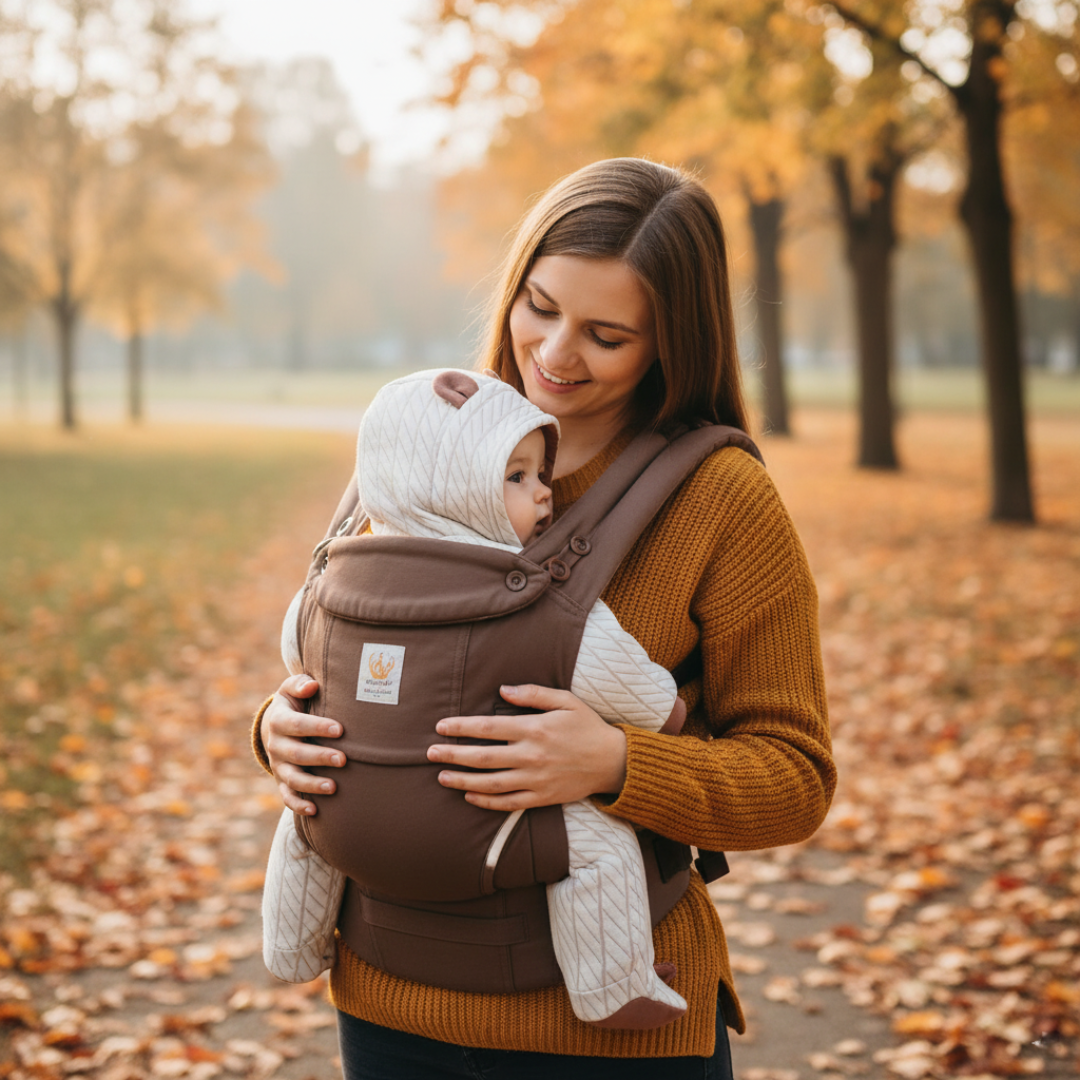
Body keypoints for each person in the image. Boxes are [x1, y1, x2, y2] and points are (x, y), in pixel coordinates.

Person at [252, 157, 836, 1077]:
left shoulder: (720, 500)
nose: (556, 354)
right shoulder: (422, 453)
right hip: (390, 1002)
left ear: (671, 341)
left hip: (611, 1036)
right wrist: (279, 730)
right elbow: (346, 645)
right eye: (539, 306)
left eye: (607, 335)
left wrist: (614, 762)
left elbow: (795, 774)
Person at [263, 366, 688, 1028]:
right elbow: (646, 701)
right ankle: (611, 984)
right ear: (453, 488)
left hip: (347, 825)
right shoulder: (551, 607)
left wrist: (279, 715)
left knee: (303, 819)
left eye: (538, 474)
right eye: (516, 477)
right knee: (598, 842)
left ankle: (291, 946)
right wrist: (665, 713)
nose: (545, 495)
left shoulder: (321, 592)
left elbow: (301, 668)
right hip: (483, 834)